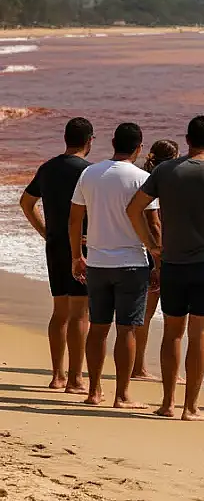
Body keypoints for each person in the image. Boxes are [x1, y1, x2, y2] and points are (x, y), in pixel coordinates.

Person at [127, 115, 204, 422]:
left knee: (172, 334)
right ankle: (191, 408)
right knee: (199, 335)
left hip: (173, 263)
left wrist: (152, 246)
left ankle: (167, 404)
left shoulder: (164, 171)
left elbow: (133, 209)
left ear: (187, 139)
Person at [68, 123, 158, 408]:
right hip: (132, 261)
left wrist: (76, 256)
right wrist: (159, 261)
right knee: (127, 329)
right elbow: (154, 225)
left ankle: (94, 392)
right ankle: (122, 395)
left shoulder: (89, 173)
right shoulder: (142, 178)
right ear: (139, 147)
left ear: (112, 142)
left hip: (96, 261)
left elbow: (74, 220)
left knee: (98, 327)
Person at [19, 117, 93, 393]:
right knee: (80, 313)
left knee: (60, 311)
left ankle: (57, 376)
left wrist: (45, 232)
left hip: (55, 246)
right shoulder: (89, 171)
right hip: (81, 247)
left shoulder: (47, 168)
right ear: (89, 141)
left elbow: (26, 203)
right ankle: (75, 379)